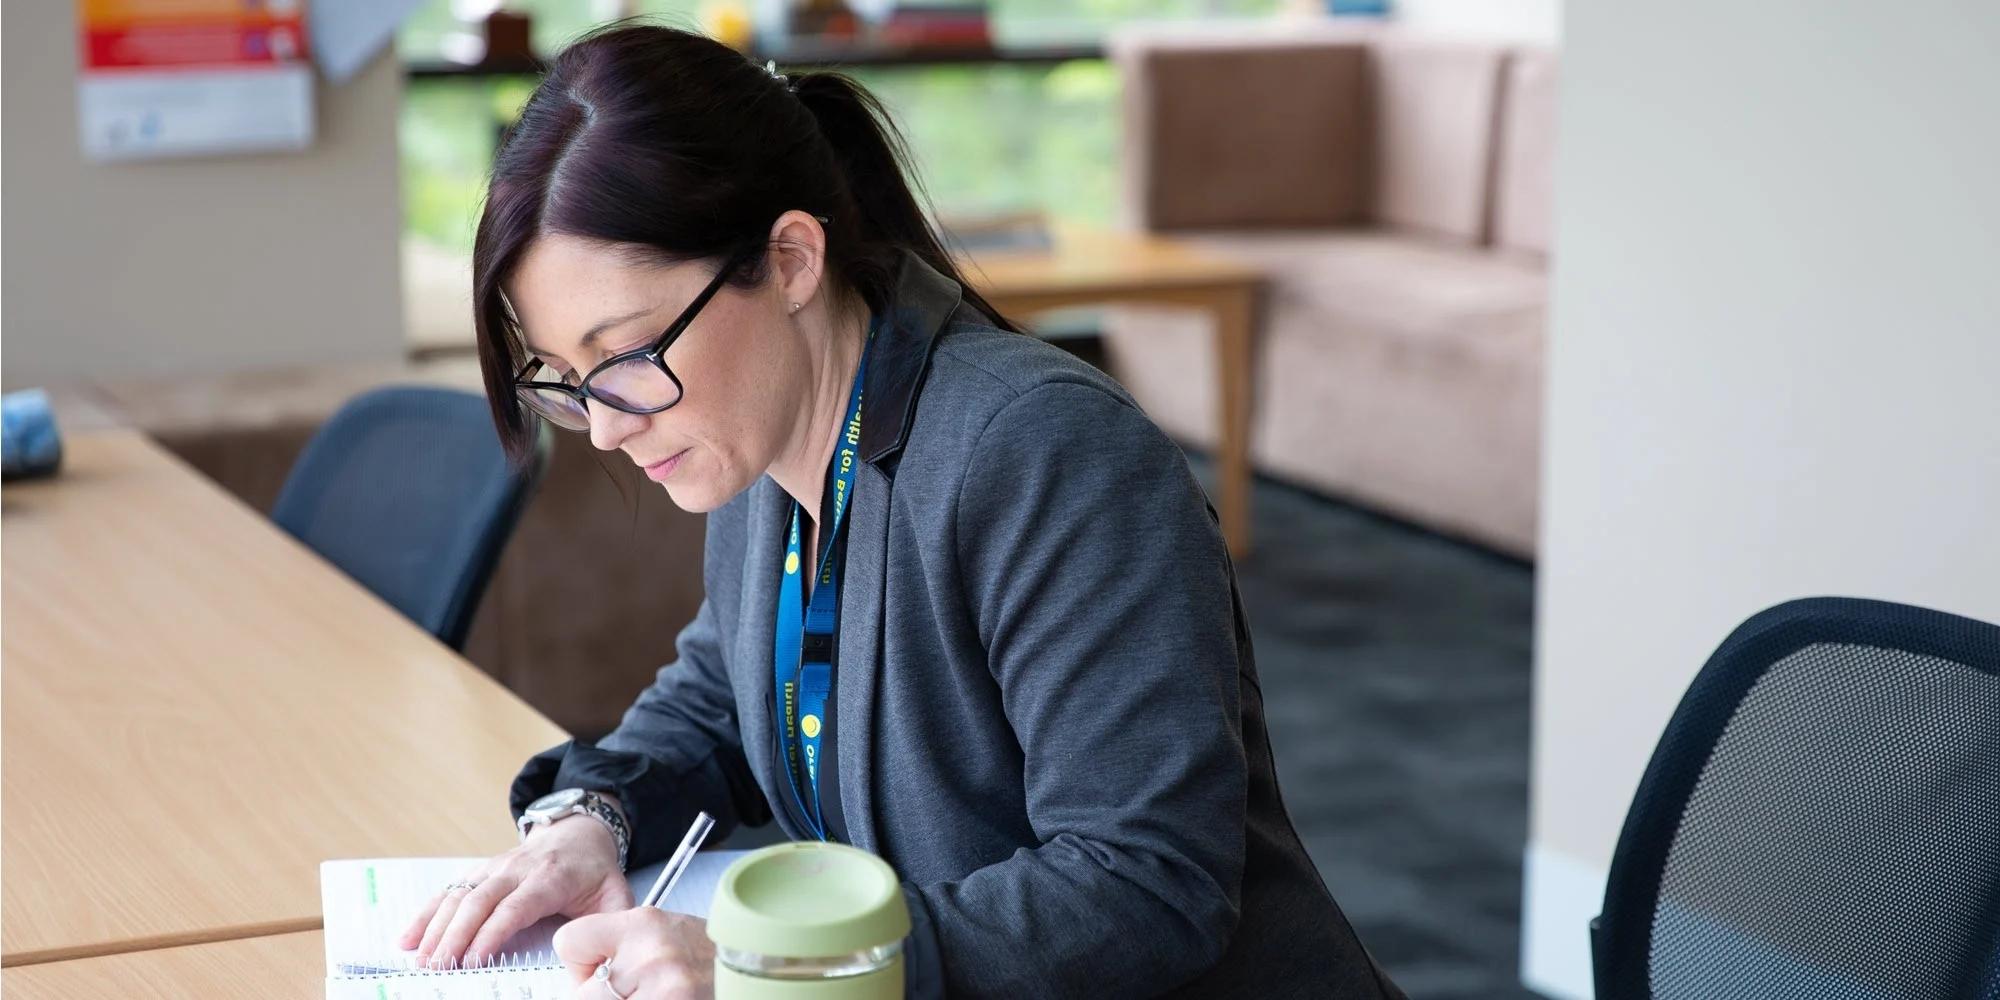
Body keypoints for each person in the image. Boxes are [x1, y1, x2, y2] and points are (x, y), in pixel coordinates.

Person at [398, 23, 1405, 1000]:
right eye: (566, 378)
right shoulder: (763, 437)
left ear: (789, 260)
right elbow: (723, 696)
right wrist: (590, 817)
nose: (605, 428)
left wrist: (784, 968)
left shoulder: (1043, 453)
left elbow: (1145, 882)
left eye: (623, 357)